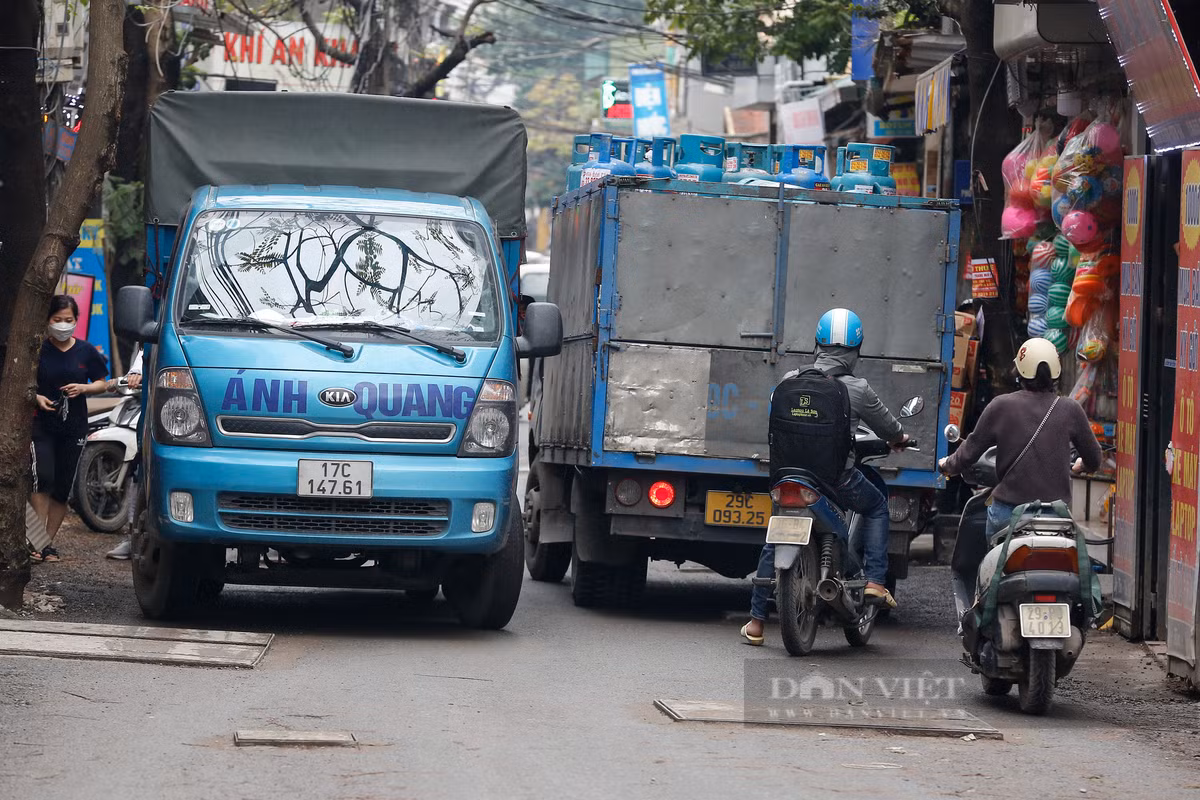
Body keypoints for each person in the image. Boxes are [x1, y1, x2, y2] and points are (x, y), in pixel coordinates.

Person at [741, 308, 909, 645]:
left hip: (788, 478)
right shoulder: (858, 389)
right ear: (857, 349)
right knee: (876, 505)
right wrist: (899, 439)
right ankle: (876, 580)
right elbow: (889, 428)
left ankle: (757, 622)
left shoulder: (789, 380)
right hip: (836, 480)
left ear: (818, 343)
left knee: (775, 540)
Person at [938, 337, 1102, 624]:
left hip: (1008, 515)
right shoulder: (1070, 409)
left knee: (987, 559)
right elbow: (1095, 459)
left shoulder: (1001, 406)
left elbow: (969, 451)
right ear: (1056, 371)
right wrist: (1081, 464)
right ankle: (1082, 617)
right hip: (1056, 518)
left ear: (1020, 370)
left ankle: (982, 612)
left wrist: (947, 465)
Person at [30, 295, 109, 562]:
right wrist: (37, 397)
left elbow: (103, 382)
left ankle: (47, 545)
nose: (63, 325)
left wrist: (84, 387)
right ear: (47, 320)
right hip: (42, 424)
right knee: (43, 478)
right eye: (57, 320)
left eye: (69, 320)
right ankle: (36, 543)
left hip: (74, 427)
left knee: (62, 487)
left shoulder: (86, 351)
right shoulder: (37, 349)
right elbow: (25, 383)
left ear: (76, 321)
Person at [103, 347, 143, 561]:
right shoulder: (152, 341)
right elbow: (141, 362)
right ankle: (134, 536)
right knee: (138, 474)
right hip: (152, 417)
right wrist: (132, 375)